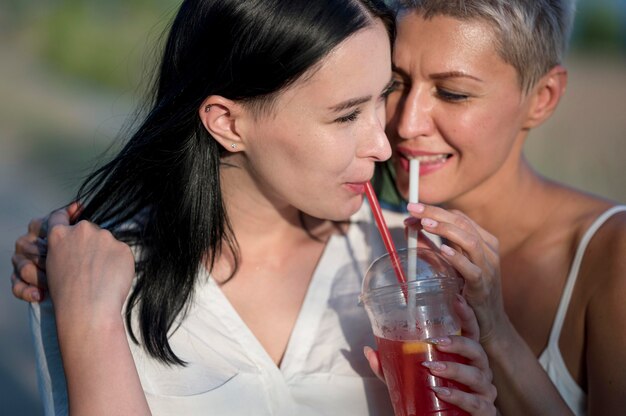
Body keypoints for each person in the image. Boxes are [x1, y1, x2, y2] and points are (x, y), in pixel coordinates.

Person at [10, 0, 497, 415]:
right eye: (347, 114)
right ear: (226, 122)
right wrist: (92, 321)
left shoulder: (421, 266)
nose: (383, 145)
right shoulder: (93, 280)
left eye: (381, 100)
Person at [366, 1, 626, 415]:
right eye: (395, 84)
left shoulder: (611, 252)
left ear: (542, 98)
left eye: (452, 93)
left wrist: (496, 331)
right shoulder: (372, 238)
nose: (406, 123)